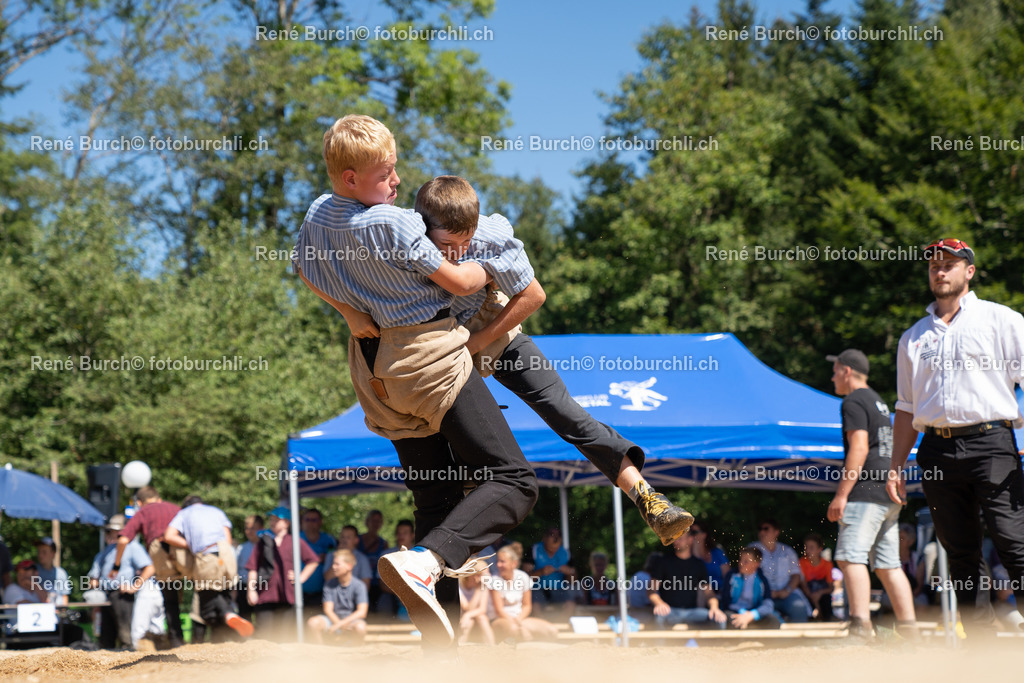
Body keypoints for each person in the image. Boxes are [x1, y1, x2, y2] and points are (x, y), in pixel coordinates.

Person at [292, 114, 540, 647]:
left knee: (435, 502)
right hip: (426, 358)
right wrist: (492, 246)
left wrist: (347, 314)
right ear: (351, 179)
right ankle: (426, 560)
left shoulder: (318, 213)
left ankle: (441, 652)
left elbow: (304, 267)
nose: (397, 181)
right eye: (385, 174)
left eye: (396, 169)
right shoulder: (393, 222)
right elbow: (458, 278)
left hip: (373, 372)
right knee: (514, 480)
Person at [414, 175, 694, 546]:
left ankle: (648, 498)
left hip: (494, 330)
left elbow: (533, 295)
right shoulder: (404, 239)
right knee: (450, 448)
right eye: (448, 245)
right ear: (422, 228)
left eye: (466, 242)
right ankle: (449, 536)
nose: (459, 253)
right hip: (445, 349)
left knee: (565, 411)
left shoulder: (492, 234)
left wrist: (480, 341)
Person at [886, 238, 1024, 638]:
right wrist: (896, 466)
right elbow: (906, 408)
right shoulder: (913, 337)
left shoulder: (1002, 320)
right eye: (933, 266)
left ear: (969, 271)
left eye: (949, 264)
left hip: (992, 442)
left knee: (1013, 541)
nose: (940, 271)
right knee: (960, 555)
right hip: (936, 449)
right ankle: (981, 650)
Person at [827, 347, 916, 636]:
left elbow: (860, 447)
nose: (832, 377)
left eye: (835, 370)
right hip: (888, 493)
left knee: (850, 557)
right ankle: (909, 632)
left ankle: (860, 627)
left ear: (846, 371)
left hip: (865, 492)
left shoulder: (853, 400)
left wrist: (841, 495)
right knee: (889, 565)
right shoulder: (879, 402)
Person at [164, 495, 252, 640]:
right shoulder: (216, 511)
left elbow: (169, 536)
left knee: (207, 598)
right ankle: (227, 638)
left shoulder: (184, 513)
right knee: (224, 592)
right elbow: (227, 536)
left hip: (207, 554)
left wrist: (189, 545)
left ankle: (229, 614)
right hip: (227, 553)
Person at [112, 485, 186, 647]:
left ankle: (176, 640)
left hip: (161, 550)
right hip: (185, 549)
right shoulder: (176, 508)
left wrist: (116, 566)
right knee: (200, 590)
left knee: (170, 598)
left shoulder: (143, 511)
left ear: (139, 502)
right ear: (158, 497)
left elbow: (123, 540)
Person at [245, 506, 318, 639]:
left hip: (288, 596)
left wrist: (300, 577)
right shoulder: (263, 542)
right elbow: (253, 567)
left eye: (276, 520)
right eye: (271, 520)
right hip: (265, 596)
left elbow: (313, 560)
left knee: (285, 636)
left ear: (286, 523)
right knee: (263, 635)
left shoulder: (295, 541)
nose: (272, 522)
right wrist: (251, 590)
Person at [89, 515, 155, 649]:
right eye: (110, 531)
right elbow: (93, 578)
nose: (113, 534)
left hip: (122, 596)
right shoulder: (106, 551)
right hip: (105, 596)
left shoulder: (132, 547)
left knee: (125, 636)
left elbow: (149, 568)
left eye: (116, 531)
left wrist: (134, 587)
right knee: (106, 639)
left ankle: (129, 664)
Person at [648, 534, 724, 628]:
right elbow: (651, 590)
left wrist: (714, 607)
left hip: (693, 612)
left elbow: (709, 593)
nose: (676, 542)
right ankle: (658, 643)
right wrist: (659, 604)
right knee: (659, 617)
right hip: (670, 611)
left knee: (719, 618)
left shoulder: (698, 564)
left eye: (680, 539)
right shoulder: (663, 561)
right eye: (674, 539)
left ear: (690, 539)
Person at [487, 544, 558, 642]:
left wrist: (518, 621)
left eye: (502, 562)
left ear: (514, 563)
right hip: (499, 619)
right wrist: (517, 625)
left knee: (552, 631)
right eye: (498, 561)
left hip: (519, 619)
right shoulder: (494, 580)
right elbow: (499, 610)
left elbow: (527, 606)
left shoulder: (523, 577)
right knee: (515, 631)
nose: (498, 565)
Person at [749, 519, 811, 623]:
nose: (762, 532)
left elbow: (796, 575)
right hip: (760, 596)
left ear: (776, 532)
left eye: (766, 529)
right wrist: (765, 592)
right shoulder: (752, 549)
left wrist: (787, 590)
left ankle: (799, 639)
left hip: (786, 594)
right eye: (760, 529)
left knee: (799, 607)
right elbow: (746, 572)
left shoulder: (788, 551)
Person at [306, 551, 368, 645]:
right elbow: (328, 609)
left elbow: (362, 612)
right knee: (313, 622)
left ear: (349, 566)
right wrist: (337, 624)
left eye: (337, 564)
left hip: (351, 622)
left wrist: (340, 624)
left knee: (360, 627)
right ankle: (319, 651)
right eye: (333, 564)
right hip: (332, 620)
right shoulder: (329, 584)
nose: (333, 567)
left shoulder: (359, 586)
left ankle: (357, 651)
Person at [720, 547, 779, 629]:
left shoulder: (762, 580)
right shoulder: (731, 576)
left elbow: (768, 604)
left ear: (756, 564)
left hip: (754, 613)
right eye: (740, 560)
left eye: (746, 561)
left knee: (773, 621)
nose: (741, 563)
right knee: (733, 621)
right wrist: (742, 614)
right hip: (735, 612)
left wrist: (752, 615)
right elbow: (725, 601)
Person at [524, 527, 576, 610]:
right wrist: (540, 572)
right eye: (552, 535)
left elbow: (574, 581)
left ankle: (561, 623)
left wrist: (570, 573)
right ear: (544, 538)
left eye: (558, 535)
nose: (555, 538)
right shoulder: (533, 550)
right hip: (537, 589)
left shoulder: (566, 553)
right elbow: (525, 579)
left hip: (558, 589)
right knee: (535, 606)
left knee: (570, 606)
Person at [300, 508, 336, 612]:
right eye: (307, 520)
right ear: (302, 521)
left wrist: (327, 558)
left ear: (320, 522)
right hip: (298, 592)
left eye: (314, 520)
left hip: (322, 593)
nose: (310, 523)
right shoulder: (295, 539)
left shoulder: (329, 540)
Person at [378, 519, 415, 616]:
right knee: (383, 602)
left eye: (405, 533)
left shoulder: (419, 554)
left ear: (412, 535)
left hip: (416, 594)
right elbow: (382, 584)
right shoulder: (386, 555)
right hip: (392, 594)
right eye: (399, 533)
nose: (401, 536)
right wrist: (401, 594)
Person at [799, 533, 836, 621]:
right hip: (807, 594)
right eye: (806, 547)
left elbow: (831, 587)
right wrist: (813, 597)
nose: (807, 550)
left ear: (820, 549)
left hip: (822, 595)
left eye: (811, 548)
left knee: (826, 600)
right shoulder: (801, 562)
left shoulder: (827, 564)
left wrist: (819, 593)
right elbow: (803, 584)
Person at [324, 525, 371, 589]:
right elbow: (327, 578)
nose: (344, 540)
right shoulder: (331, 555)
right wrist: (338, 556)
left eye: (348, 537)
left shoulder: (362, 559)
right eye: (342, 537)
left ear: (356, 540)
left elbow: (366, 586)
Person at [458, 563, 495, 645]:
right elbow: (467, 608)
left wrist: (468, 615)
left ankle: (492, 646)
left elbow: (482, 609)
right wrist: (479, 589)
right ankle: (460, 645)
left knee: (482, 618)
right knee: (469, 622)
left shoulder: (483, 586)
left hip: (472, 616)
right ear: (475, 575)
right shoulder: (459, 585)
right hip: (460, 617)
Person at [690, 521, 730, 593]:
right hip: (699, 594)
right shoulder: (687, 555)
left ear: (704, 535)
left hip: (720, 592)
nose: (692, 535)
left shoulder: (717, 552)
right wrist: (695, 550)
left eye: (694, 532)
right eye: (690, 533)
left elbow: (728, 576)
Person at [33, 537, 71, 606]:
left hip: (57, 611)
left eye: (44, 552)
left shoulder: (61, 573)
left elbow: (65, 596)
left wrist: (63, 611)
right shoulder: (32, 571)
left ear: (53, 554)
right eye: (39, 552)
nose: (40, 555)